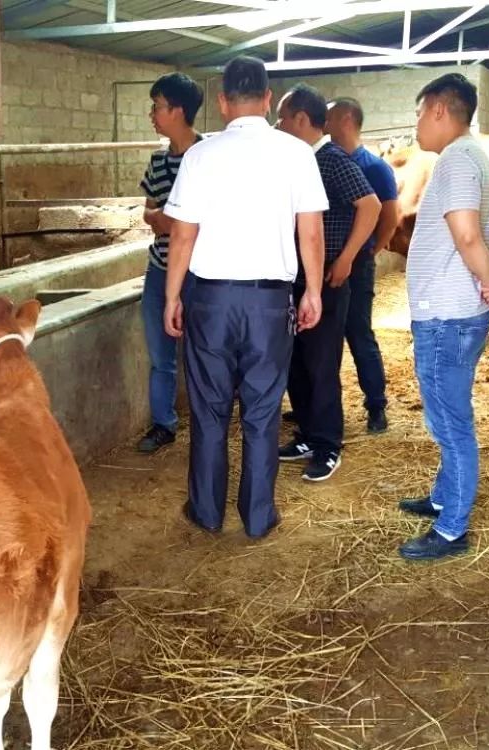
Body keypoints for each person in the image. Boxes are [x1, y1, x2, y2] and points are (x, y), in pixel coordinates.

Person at [162, 56, 328, 539]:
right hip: (270, 304)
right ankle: (258, 517)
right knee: (261, 412)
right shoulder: (296, 153)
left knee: (210, 412)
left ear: (222, 101)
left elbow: (182, 236)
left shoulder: (200, 156)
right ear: (269, 98)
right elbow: (311, 233)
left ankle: (207, 512)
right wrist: (312, 290)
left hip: (210, 301)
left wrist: (174, 296)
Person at [397, 73, 489, 561]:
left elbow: (467, 235)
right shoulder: (475, 159)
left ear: (437, 110)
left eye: (418, 113)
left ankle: (452, 529)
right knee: (452, 411)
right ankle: (442, 497)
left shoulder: (455, 163)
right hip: (459, 309)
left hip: (446, 314)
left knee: (450, 422)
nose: (416, 124)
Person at [275, 84, 380, 482]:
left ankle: (327, 444)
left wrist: (348, 258)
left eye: (283, 118)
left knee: (321, 363)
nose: (279, 125)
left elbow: (369, 205)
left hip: (328, 278)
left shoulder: (331, 159)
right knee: (297, 361)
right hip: (299, 278)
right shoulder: (299, 160)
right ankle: (306, 431)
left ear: (301, 119)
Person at [136, 73, 204, 453]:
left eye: (157, 106)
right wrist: (165, 220)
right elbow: (149, 213)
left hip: (201, 272)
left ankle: (208, 423)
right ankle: (164, 424)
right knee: (161, 354)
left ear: (177, 111)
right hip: (160, 268)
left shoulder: (208, 155)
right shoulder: (158, 161)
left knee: (203, 352)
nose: (152, 114)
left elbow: (208, 219)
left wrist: (171, 221)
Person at [325, 97, 400, 434]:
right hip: (326, 263)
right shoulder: (325, 160)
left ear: (347, 118)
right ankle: (319, 406)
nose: (324, 122)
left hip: (356, 264)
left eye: (330, 116)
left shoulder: (374, 167)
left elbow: (389, 217)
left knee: (358, 332)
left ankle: (376, 405)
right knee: (323, 337)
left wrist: (370, 252)